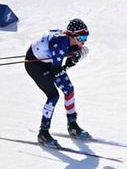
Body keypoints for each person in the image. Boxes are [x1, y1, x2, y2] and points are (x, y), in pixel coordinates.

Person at [25, 18, 91, 148]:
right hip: (35, 66)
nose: (85, 41)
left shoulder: (69, 39)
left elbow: (68, 55)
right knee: (53, 96)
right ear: (74, 36)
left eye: (86, 37)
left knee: (69, 90)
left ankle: (72, 126)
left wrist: (75, 54)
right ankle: (43, 133)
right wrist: (72, 63)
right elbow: (56, 72)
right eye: (82, 37)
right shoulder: (59, 44)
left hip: (48, 62)